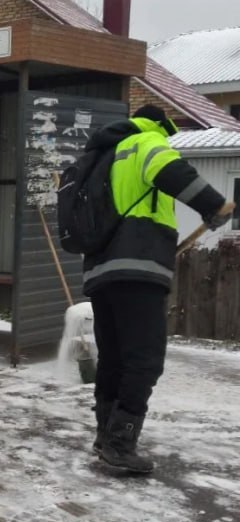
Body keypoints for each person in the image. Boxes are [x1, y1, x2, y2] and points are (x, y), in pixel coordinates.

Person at [82, 105, 232, 473]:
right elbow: (172, 170)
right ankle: (120, 444)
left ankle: (105, 435)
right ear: (162, 126)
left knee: (114, 357)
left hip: (100, 270)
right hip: (138, 267)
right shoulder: (146, 141)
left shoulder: (102, 154)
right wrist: (214, 205)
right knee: (145, 360)